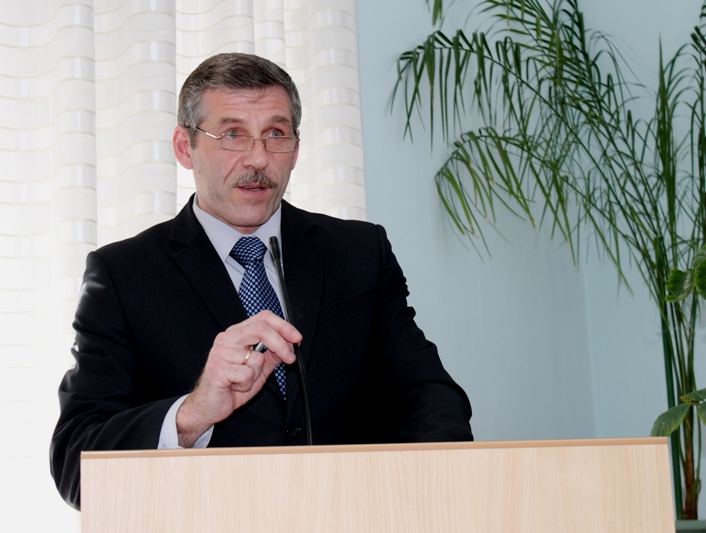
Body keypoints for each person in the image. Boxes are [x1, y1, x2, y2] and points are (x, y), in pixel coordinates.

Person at [50, 52, 473, 509]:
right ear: (184, 147)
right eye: (233, 135)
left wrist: (423, 496)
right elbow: (77, 465)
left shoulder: (358, 253)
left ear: (296, 147)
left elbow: (428, 394)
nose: (258, 158)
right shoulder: (123, 274)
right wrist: (191, 416)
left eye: (276, 134)